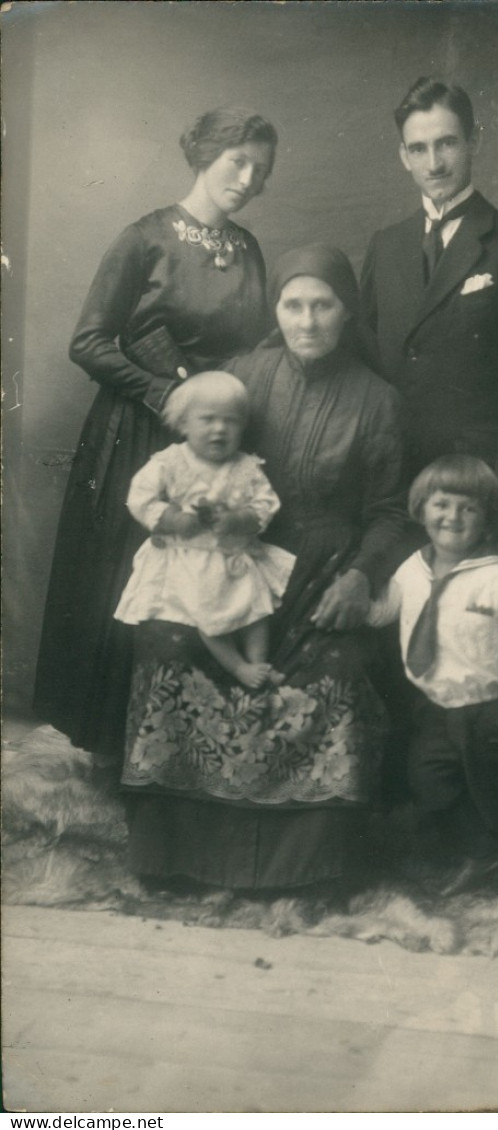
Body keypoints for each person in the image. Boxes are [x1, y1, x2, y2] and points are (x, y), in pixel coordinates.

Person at [120, 245, 408, 892]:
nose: (306, 321)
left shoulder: (379, 401)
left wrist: (360, 576)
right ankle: (173, 856)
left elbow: (391, 512)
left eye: (323, 305)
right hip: (232, 560)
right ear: (275, 308)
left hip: (327, 567)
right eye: (292, 304)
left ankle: (307, 867)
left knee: (342, 666)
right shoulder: (243, 374)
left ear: (347, 311)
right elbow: (191, 447)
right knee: (164, 638)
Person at [33, 106, 277, 767]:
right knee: (137, 582)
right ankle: (117, 749)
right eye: (237, 161)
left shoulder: (249, 250)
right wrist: (164, 391)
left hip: (218, 437)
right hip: (141, 432)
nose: (248, 178)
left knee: (211, 576)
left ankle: (182, 756)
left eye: (260, 169)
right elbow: (86, 340)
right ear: (203, 155)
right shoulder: (144, 238)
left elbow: (257, 345)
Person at [360, 76, 498, 535]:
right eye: (418, 148)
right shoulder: (385, 246)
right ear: (403, 157)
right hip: (393, 473)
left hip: (474, 479)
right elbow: (365, 354)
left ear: (474, 141)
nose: (433, 163)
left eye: (446, 143)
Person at [368, 455, 498, 896]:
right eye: (442, 504)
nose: (452, 517)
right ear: (421, 508)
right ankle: (485, 858)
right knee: (428, 781)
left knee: (488, 788)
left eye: (468, 508)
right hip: (433, 705)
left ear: (487, 518)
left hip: (487, 707)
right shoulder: (412, 568)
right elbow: (384, 611)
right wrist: (355, 603)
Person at [114, 371, 295, 689]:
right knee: (208, 616)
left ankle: (260, 665)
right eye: (208, 419)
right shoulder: (170, 463)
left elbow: (266, 504)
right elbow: (139, 498)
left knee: (257, 610)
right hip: (189, 559)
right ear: (183, 424)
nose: (220, 429)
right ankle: (238, 667)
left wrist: (240, 519)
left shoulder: (245, 466)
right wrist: (171, 519)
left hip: (233, 558)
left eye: (231, 421)